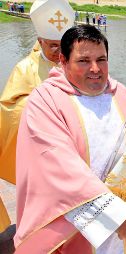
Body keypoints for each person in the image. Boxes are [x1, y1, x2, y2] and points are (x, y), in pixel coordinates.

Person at [14, 25, 126, 253]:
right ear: (63, 61)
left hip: (121, 215)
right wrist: (115, 213)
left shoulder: (120, 93)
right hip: (72, 224)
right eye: (84, 61)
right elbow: (59, 164)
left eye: (101, 60)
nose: (95, 69)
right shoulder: (45, 100)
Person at [0, 0, 75, 233]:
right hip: (40, 150)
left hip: (74, 147)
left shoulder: (79, 64)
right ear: (39, 41)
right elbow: (9, 111)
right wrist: (42, 109)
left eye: (63, 45)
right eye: (52, 45)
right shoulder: (26, 69)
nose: (58, 52)